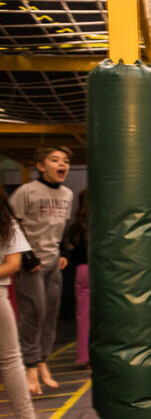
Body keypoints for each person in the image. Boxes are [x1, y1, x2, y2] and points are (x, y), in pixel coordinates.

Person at [1, 186, 63, 419]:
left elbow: (14, 263)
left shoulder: (9, 224)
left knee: (11, 357)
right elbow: (13, 264)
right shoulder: (7, 223)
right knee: (10, 358)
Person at [10, 146, 73, 395]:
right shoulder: (27, 192)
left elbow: (61, 226)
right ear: (40, 166)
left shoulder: (67, 194)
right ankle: (30, 366)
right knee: (33, 311)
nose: (62, 164)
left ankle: (43, 362)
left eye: (65, 161)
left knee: (50, 313)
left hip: (53, 260)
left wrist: (63, 252)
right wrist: (26, 255)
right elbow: (11, 225)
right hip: (31, 261)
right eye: (55, 160)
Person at [64, 190, 89, 367]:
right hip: (98, 269)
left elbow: (71, 251)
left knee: (83, 316)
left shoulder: (75, 228)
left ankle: (84, 356)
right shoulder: (100, 224)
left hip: (80, 270)